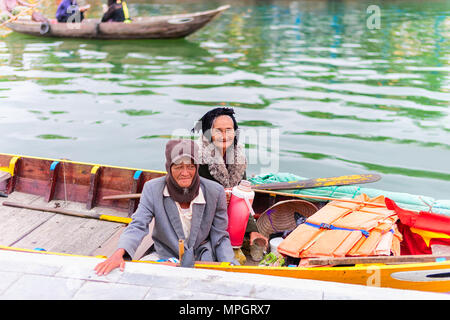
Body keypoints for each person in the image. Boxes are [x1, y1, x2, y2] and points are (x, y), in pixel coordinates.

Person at [94, 139, 237, 275]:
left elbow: (220, 236)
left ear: (197, 167)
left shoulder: (215, 191)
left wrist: (229, 265)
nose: (185, 173)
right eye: (178, 167)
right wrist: (119, 253)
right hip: (165, 256)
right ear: (168, 167)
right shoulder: (152, 189)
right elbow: (138, 225)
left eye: (190, 166)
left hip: (202, 258)